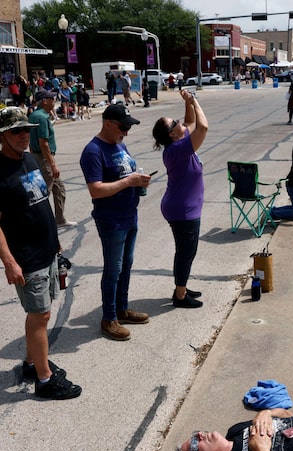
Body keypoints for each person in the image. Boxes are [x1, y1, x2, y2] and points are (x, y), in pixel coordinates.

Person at [0, 107, 82, 400]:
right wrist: (9, 262)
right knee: (41, 315)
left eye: (26, 130)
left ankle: (30, 363)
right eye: (16, 131)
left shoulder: (30, 159)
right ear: (1, 136)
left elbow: (40, 203)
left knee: (40, 314)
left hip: (46, 249)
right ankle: (45, 380)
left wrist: (55, 239)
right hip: (26, 256)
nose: (24, 135)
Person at [80, 104, 151, 340]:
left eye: (129, 127)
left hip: (130, 215)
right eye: (123, 127)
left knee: (126, 266)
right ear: (108, 123)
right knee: (113, 269)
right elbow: (96, 190)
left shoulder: (120, 144)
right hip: (111, 220)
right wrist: (129, 182)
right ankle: (109, 318)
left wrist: (138, 182)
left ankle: (122, 309)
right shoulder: (93, 151)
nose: (127, 132)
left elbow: (125, 174)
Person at [151, 90, 209, 309]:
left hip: (184, 207)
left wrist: (187, 102)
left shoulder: (179, 141)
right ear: (172, 134)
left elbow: (191, 121)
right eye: (174, 122)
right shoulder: (176, 150)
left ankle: (181, 285)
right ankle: (180, 295)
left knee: (186, 251)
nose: (179, 122)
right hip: (182, 210)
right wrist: (195, 100)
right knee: (186, 252)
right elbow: (202, 127)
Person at [28, 90, 76, 228]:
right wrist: (53, 165)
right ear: (45, 101)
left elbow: (32, 140)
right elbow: (43, 143)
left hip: (38, 156)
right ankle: (32, 224)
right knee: (42, 193)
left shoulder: (34, 115)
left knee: (59, 189)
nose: (55, 101)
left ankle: (59, 220)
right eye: (52, 99)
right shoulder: (42, 118)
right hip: (44, 159)